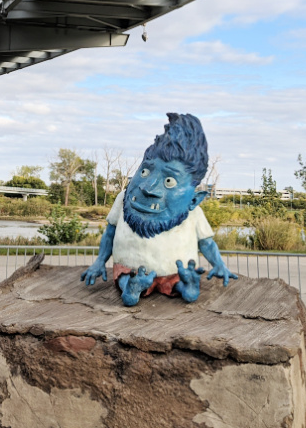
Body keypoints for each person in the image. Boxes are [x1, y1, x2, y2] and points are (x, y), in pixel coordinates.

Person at [80, 113, 237, 305]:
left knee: (184, 290)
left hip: (174, 271)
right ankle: (131, 289)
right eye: (144, 171)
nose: (147, 188)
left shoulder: (194, 213)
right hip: (131, 268)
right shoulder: (123, 199)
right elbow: (110, 233)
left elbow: (207, 243)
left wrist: (219, 265)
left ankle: (187, 287)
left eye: (169, 181)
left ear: (194, 200)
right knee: (125, 278)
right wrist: (99, 262)